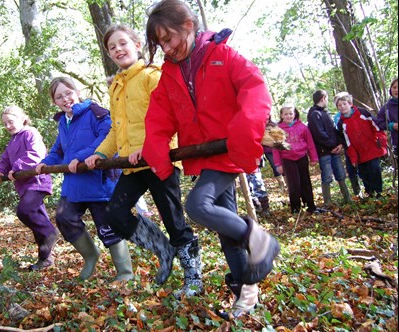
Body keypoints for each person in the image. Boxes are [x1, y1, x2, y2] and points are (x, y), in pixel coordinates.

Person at [142, 0, 280, 317]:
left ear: (188, 26)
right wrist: (156, 149)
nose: (167, 47)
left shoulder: (223, 56)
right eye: (161, 43)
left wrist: (243, 133)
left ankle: (257, 237)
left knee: (197, 206)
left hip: (226, 152)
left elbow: (254, 89)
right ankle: (246, 291)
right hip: (204, 156)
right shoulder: (170, 74)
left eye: (169, 38)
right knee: (224, 229)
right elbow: (159, 117)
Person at [84, 24, 202, 297]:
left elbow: (168, 116)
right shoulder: (115, 86)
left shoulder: (152, 76)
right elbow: (116, 129)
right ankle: (163, 248)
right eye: (112, 47)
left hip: (160, 159)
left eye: (122, 43)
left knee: (174, 221)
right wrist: (100, 153)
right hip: (132, 164)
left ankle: (193, 278)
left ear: (137, 45)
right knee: (114, 214)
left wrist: (150, 146)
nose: (117, 50)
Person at [36, 77, 133, 282]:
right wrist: (46, 163)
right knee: (64, 217)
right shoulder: (64, 121)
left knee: (107, 228)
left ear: (77, 91)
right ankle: (90, 256)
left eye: (68, 93)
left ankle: (125, 272)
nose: (65, 99)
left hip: (98, 184)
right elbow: (59, 149)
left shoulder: (95, 112)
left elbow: (107, 137)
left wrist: (80, 157)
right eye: (59, 97)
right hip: (73, 186)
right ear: (54, 102)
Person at [0, 105, 59, 271]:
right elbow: (5, 159)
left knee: (25, 211)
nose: (8, 126)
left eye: (10, 121)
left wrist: (17, 167)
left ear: (22, 118)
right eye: (5, 124)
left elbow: (36, 153)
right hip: (23, 186)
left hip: (36, 181)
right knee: (37, 220)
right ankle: (45, 259)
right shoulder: (13, 140)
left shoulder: (30, 133)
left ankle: (51, 231)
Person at [334, 92, 388, 198]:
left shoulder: (362, 113)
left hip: (371, 147)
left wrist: (381, 140)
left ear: (350, 103)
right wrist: (353, 158)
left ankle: (378, 192)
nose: (342, 107)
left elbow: (375, 126)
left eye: (344, 104)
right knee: (363, 173)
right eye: (339, 105)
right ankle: (370, 192)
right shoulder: (341, 123)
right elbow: (347, 143)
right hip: (359, 153)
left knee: (374, 168)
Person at [307, 90, 352, 206]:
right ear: (323, 98)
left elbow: (334, 131)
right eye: (326, 99)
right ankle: (327, 201)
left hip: (334, 150)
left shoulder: (325, 114)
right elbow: (319, 134)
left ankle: (347, 198)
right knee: (327, 176)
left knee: (340, 173)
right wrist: (332, 145)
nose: (327, 101)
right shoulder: (314, 114)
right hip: (324, 152)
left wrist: (340, 143)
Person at [273, 105, 318, 213]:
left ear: (295, 114)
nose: (288, 116)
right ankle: (295, 208)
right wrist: (278, 164)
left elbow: (310, 143)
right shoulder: (278, 130)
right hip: (287, 159)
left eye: (290, 113)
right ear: (281, 116)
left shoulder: (302, 127)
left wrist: (313, 158)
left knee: (305, 182)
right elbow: (276, 149)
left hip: (302, 157)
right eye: (286, 114)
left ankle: (310, 206)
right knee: (294, 184)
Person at [333, 111, 363, 197]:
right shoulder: (337, 118)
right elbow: (339, 133)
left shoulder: (357, 114)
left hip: (359, 146)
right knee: (351, 170)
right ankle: (357, 191)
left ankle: (369, 190)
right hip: (348, 147)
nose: (342, 106)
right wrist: (341, 143)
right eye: (339, 105)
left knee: (363, 168)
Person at [377, 78, 398, 164]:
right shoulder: (387, 107)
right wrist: (391, 126)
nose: (396, 90)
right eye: (394, 87)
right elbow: (378, 123)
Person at [263, 117, 286, 191]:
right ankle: (281, 184)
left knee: (283, 166)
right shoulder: (260, 126)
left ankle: (287, 183)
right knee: (275, 167)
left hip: (277, 149)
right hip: (268, 151)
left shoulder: (274, 125)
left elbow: (280, 137)